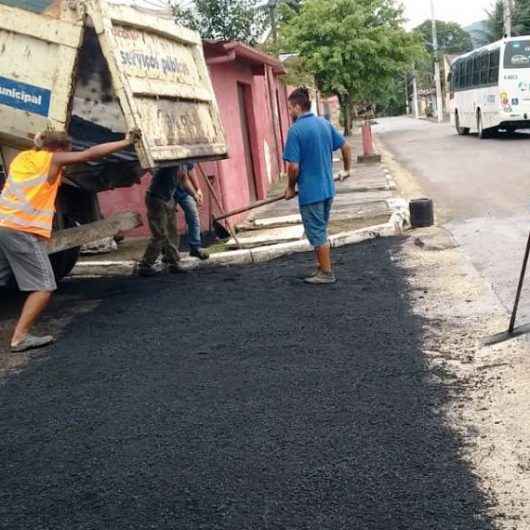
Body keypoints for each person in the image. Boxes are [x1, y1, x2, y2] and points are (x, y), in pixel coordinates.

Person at [0, 128, 142, 352]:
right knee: (44, 286)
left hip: (4, 224)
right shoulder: (52, 158)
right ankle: (20, 338)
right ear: (59, 149)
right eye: (67, 151)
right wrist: (125, 142)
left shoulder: (23, 158)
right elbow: (90, 154)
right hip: (22, 229)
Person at [283, 87, 352, 284]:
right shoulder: (324, 123)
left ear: (297, 107)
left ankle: (326, 273)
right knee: (319, 229)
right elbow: (345, 146)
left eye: (290, 108)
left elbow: (293, 167)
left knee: (317, 232)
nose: (289, 112)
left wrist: (290, 187)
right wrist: (347, 169)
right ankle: (321, 266)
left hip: (311, 192)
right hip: (328, 189)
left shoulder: (295, 130)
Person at [138, 164, 199, 276]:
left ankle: (174, 263)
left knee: (172, 232)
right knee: (160, 234)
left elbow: (184, 181)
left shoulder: (182, 164)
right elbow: (152, 168)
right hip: (156, 198)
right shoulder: (169, 162)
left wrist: (195, 194)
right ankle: (144, 266)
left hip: (168, 198)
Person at [173, 164, 209, 260]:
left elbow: (190, 169)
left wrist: (198, 189)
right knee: (169, 222)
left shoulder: (184, 154)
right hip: (167, 191)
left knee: (193, 214)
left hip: (183, 191)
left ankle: (195, 247)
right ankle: (170, 253)